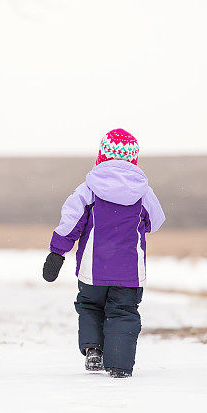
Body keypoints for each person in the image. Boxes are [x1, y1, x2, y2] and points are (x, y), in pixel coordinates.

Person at [42, 129, 165, 378]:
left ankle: (93, 350)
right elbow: (156, 221)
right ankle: (119, 364)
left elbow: (70, 222)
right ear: (134, 159)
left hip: (92, 270)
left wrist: (57, 252)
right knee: (123, 311)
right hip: (129, 273)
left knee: (90, 307)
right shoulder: (143, 192)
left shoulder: (88, 189)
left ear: (101, 156)